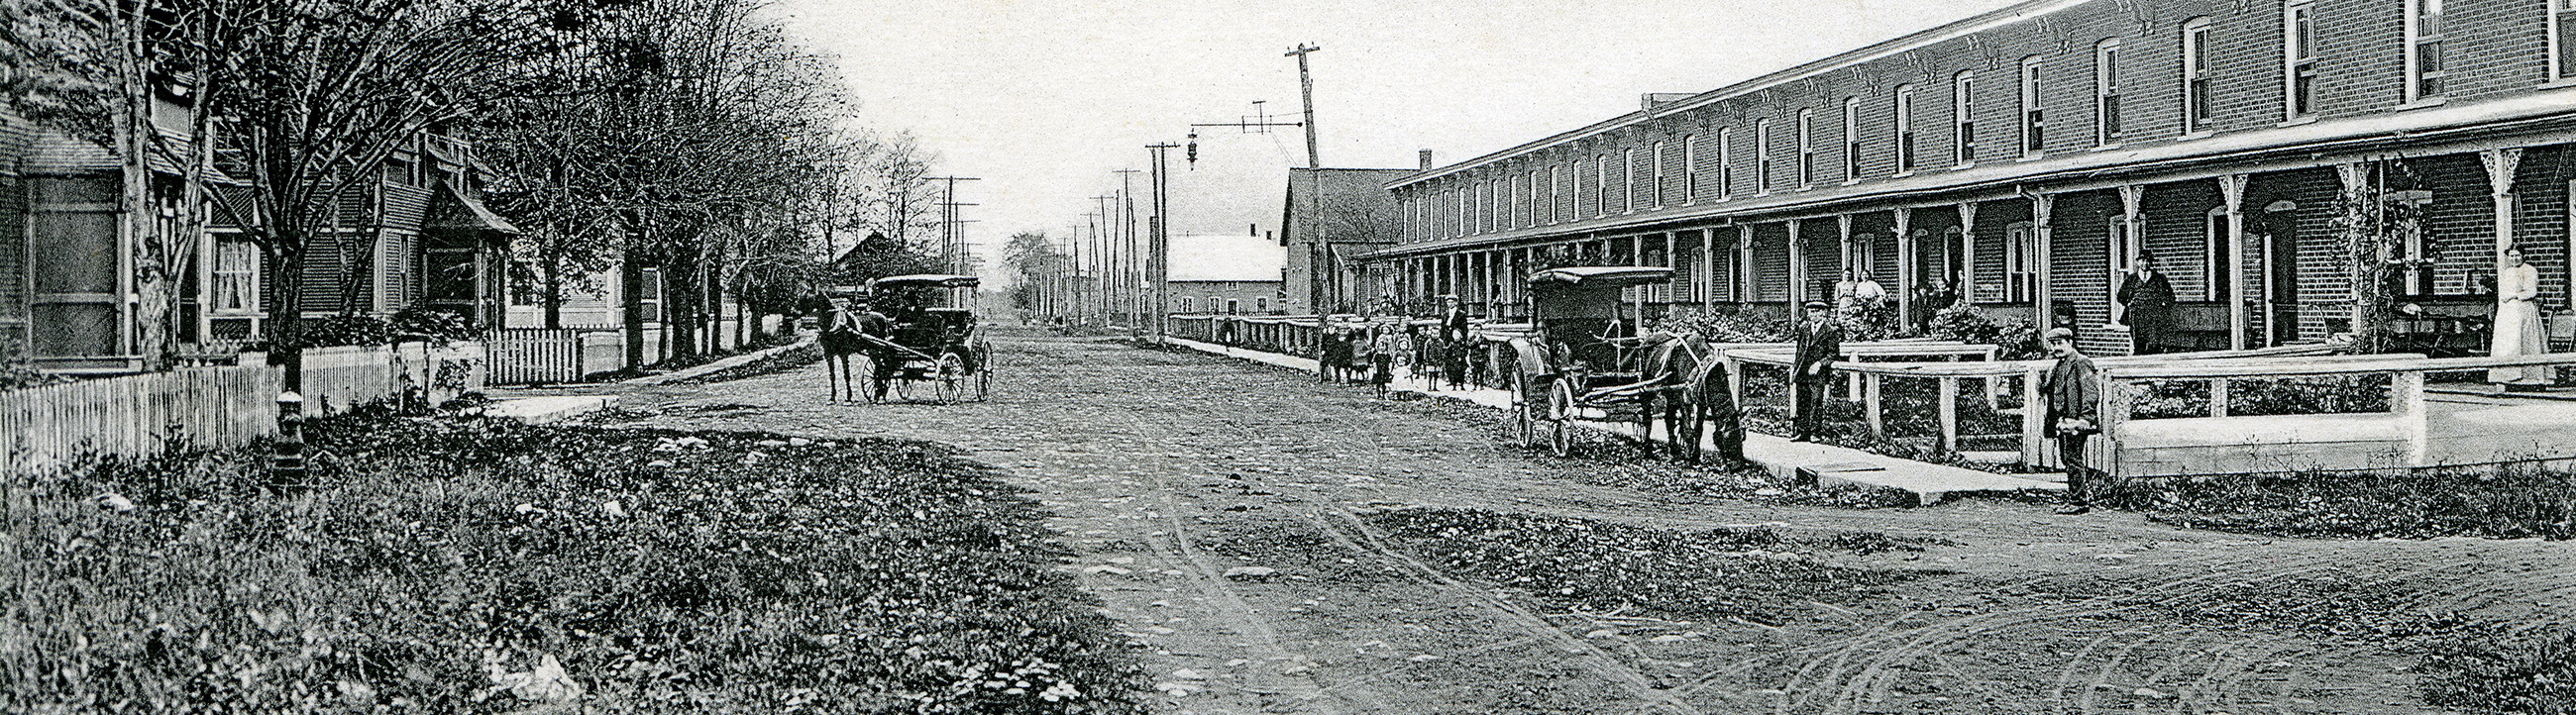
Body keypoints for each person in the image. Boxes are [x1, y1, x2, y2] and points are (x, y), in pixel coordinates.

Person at [2043, 327, 2102, 515]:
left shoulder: (2081, 363)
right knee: (2067, 458)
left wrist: (2084, 419)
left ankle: (2079, 501)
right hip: (2063, 421)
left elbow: (2090, 393)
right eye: (2053, 344)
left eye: (2060, 343)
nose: (2056, 348)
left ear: (2070, 343)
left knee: (2073, 458)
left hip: (2075, 421)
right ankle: (2076, 497)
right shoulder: (2058, 365)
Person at [2492, 246, 2551, 389]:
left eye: (2517, 255)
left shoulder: (2529, 270)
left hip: (2523, 310)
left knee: (2526, 341)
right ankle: (2508, 377)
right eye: (2511, 256)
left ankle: (2530, 378)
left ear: (2523, 256)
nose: (2514, 259)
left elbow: (2531, 292)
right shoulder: (2507, 272)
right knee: (2509, 343)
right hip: (2508, 312)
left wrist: (2514, 296)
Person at [1791, 300, 1843, 442]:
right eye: (1810, 312)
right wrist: (1796, 369)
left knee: (1816, 401)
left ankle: (1815, 432)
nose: (1812, 315)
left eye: (1815, 312)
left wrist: (1820, 364)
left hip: (1818, 372)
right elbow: (1799, 351)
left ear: (1823, 313)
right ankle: (1802, 431)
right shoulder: (1804, 329)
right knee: (1802, 401)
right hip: (1803, 370)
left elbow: (1833, 354)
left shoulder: (1830, 331)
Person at [2118, 254, 2178, 356]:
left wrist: (2162, 305)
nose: (2145, 263)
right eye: (2142, 260)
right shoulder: (2132, 279)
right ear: (2138, 262)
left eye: (2147, 261)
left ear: (2151, 263)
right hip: (2137, 315)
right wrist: (2129, 304)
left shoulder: (2159, 279)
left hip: (2153, 315)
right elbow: (2121, 296)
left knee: (2153, 344)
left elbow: (2170, 296)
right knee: (2138, 344)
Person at [1440, 296, 1473, 390]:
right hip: (1447, 340)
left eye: (1451, 302)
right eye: (1448, 302)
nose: (1449, 304)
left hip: (1457, 340)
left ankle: (1460, 381)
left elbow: (1464, 329)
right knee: (1448, 361)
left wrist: (1463, 340)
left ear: (1455, 303)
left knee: (1459, 362)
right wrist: (1442, 339)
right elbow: (1442, 328)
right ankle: (1451, 380)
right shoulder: (1445, 314)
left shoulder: (1461, 314)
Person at [1369, 325, 1404, 396]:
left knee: (1385, 381)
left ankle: (1384, 392)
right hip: (1379, 369)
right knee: (1378, 381)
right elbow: (1374, 362)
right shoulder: (1380, 338)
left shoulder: (1391, 337)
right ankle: (1378, 393)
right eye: (1384, 330)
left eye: (1387, 330)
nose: (1385, 332)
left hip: (1387, 362)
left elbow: (1392, 346)